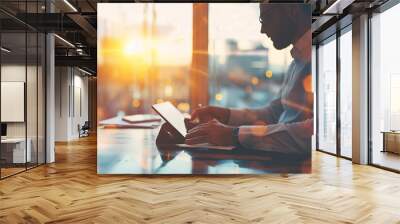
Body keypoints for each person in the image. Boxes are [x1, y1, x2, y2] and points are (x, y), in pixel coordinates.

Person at [184, 4, 313, 155]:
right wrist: (226, 115)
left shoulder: (320, 54)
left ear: (292, 10)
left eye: (267, 18)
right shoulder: (297, 62)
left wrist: (233, 135)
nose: (263, 30)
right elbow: (273, 114)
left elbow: (312, 132)